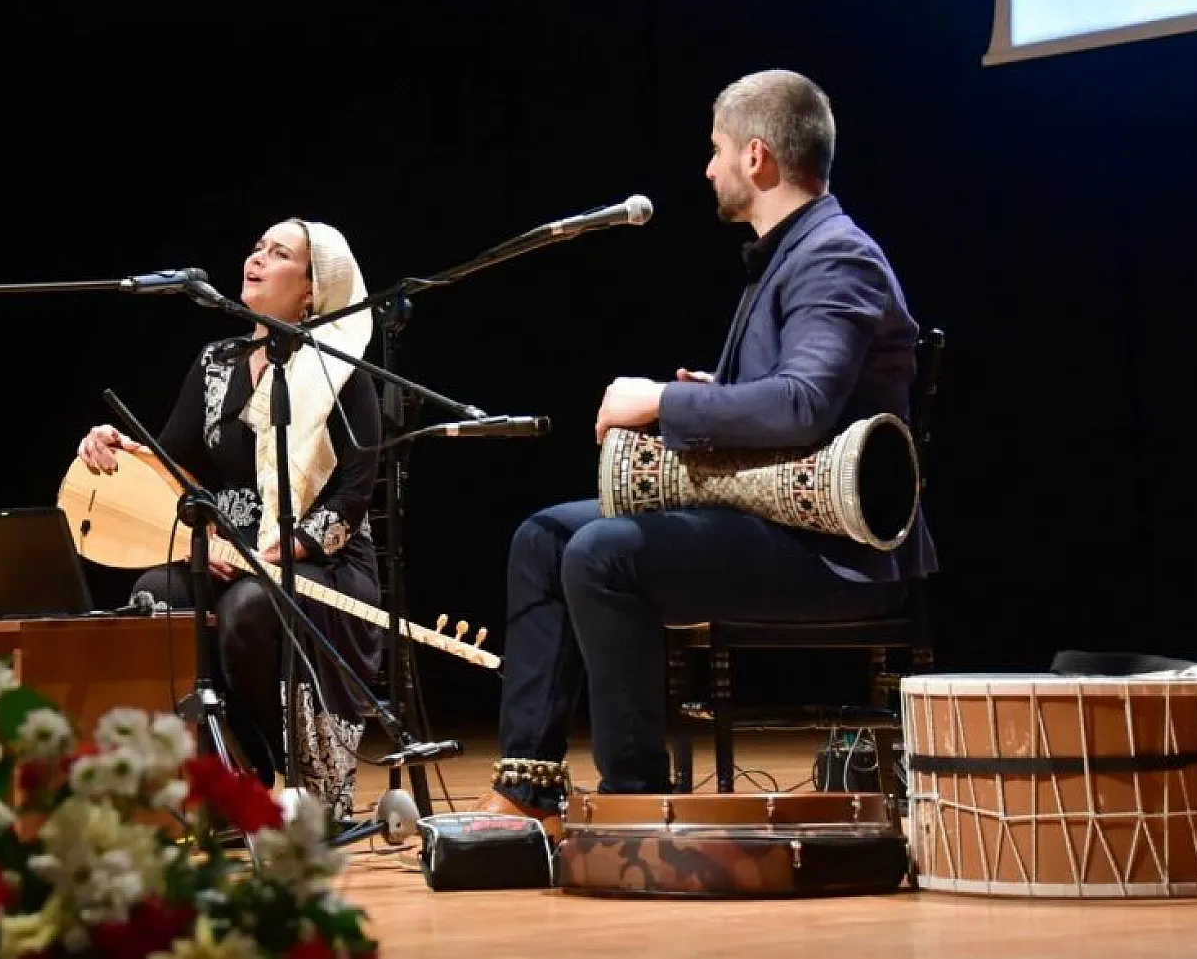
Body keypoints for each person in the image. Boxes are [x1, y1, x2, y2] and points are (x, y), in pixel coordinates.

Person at [472, 69, 937, 834]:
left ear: (757, 156)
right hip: (766, 521)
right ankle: (530, 784)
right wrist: (717, 391)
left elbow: (804, 404)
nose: (709, 167)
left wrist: (662, 399)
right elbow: (793, 396)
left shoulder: (836, 255)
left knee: (601, 554)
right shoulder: (789, 253)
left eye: (717, 149)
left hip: (829, 550)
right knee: (542, 537)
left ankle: (635, 802)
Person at [76, 219, 383, 822]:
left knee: (250, 606)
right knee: (156, 595)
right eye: (257, 248)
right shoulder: (216, 362)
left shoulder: (341, 371)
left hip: (319, 563)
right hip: (224, 550)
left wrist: (269, 555)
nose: (257, 258)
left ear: (312, 290)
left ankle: (294, 772)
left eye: (279, 253)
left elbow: (351, 501)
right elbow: (173, 463)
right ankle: (227, 776)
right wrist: (116, 446)